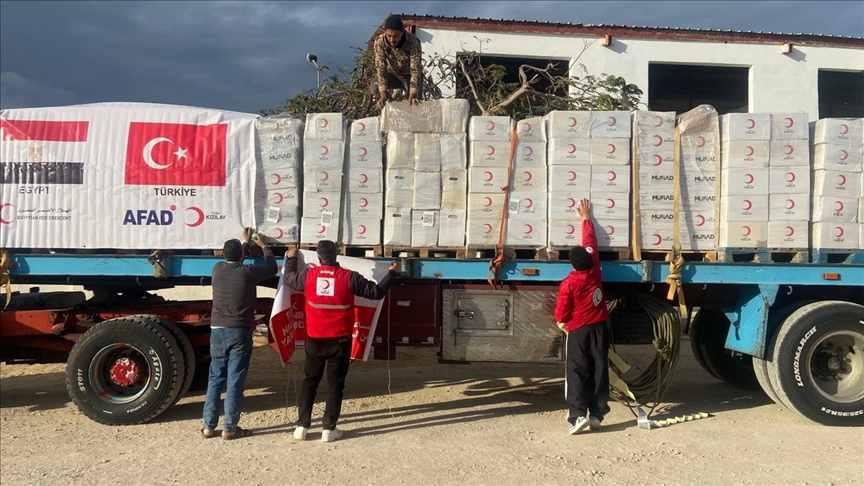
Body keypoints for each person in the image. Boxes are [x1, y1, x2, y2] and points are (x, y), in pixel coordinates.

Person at [282, 240, 397, 442]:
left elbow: (289, 279)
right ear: (337, 255)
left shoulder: (309, 276)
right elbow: (376, 292)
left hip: (315, 340)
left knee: (310, 382)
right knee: (335, 385)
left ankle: (302, 426)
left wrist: (291, 260)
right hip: (340, 341)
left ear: (318, 258)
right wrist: (391, 274)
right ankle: (329, 429)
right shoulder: (349, 277)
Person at [201, 228, 277, 440]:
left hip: (217, 330)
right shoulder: (248, 272)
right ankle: (230, 427)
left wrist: (243, 244)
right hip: (239, 331)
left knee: (215, 378)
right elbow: (271, 267)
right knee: (234, 380)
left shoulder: (217, 269)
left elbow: (236, 259)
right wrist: (262, 245)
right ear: (242, 256)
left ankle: (208, 426)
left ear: (224, 255)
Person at [554, 199, 611, 435]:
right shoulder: (595, 269)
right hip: (599, 328)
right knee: (599, 369)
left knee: (576, 371)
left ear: (573, 265)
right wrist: (586, 219)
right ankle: (597, 414)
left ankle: (577, 416)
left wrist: (560, 322)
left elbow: (562, 309)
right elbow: (591, 243)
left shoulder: (569, 283)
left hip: (578, 330)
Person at [373, 14, 423, 109]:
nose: (392, 40)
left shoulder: (413, 41)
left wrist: (412, 93)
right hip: (393, 73)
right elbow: (380, 67)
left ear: (403, 32)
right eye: (389, 36)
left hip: (410, 75)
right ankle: (390, 104)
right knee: (374, 87)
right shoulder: (380, 42)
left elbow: (415, 69)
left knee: (414, 104)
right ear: (385, 32)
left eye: (396, 36)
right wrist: (383, 94)